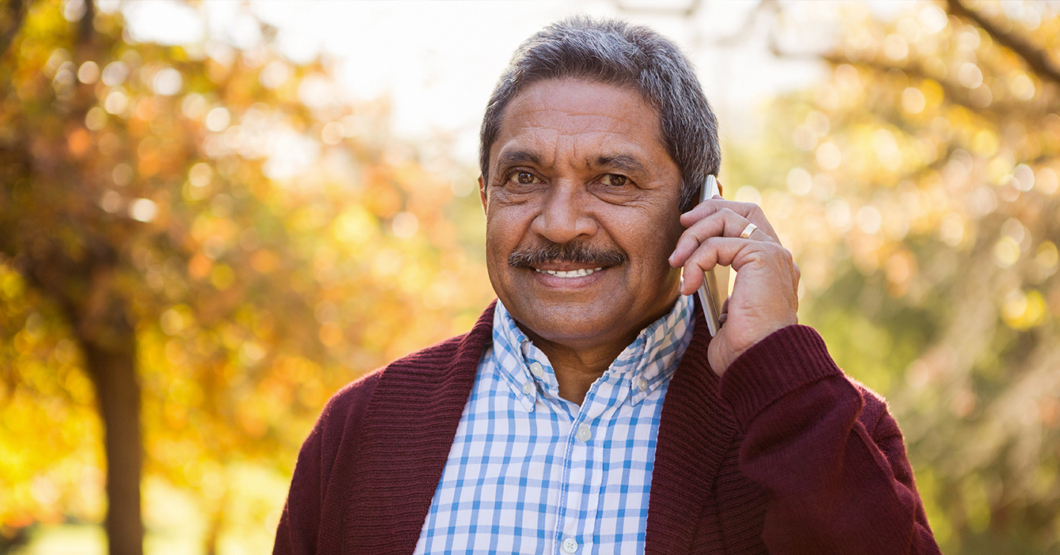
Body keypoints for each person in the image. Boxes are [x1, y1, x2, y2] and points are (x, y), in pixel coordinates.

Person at [273, 16, 941, 555]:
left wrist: (779, 375)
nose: (560, 222)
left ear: (699, 208)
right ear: (485, 198)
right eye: (525, 178)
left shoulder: (824, 424)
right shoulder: (359, 432)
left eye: (613, 180)